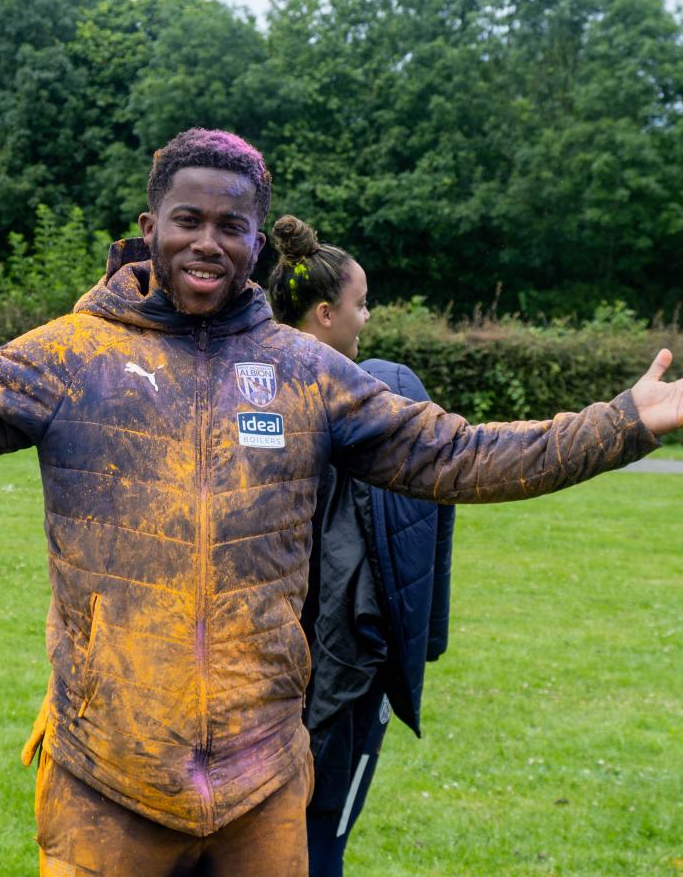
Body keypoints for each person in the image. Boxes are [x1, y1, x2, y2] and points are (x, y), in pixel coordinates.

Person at [0, 127, 683, 876]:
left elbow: (455, 457)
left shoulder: (305, 371)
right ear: (150, 224)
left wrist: (620, 424)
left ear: (261, 237)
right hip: (106, 762)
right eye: (187, 219)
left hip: (265, 769)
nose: (207, 242)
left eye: (231, 224)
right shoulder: (69, 356)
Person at [265, 215, 453, 875]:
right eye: (360, 304)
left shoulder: (240, 391)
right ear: (323, 313)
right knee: (323, 835)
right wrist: (422, 639)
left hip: (246, 664)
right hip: (336, 672)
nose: (365, 318)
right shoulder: (382, 393)